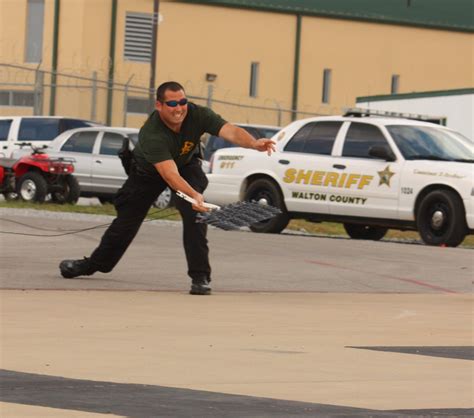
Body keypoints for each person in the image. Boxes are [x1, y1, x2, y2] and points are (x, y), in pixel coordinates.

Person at [59, 81, 275, 295]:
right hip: (148, 173)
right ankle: (94, 264)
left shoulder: (197, 114)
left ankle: (200, 277)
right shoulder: (152, 134)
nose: (179, 108)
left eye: (183, 102)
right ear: (159, 105)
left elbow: (231, 131)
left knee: (195, 216)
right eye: (172, 104)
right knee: (126, 222)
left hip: (186, 165)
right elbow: (169, 175)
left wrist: (253, 143)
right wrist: (193, 194)